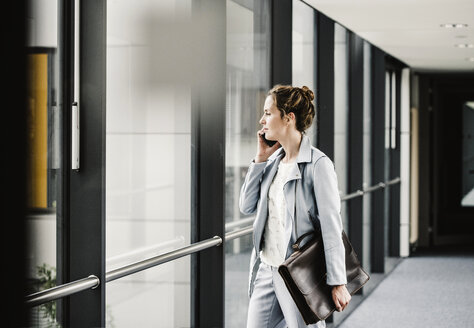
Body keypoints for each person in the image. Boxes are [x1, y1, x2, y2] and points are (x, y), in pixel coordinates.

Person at [239, 85, 351, 328]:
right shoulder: (271, 164)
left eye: (268, 113)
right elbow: (246, 206)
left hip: (298, 272)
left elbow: (331, 227)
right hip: (267, 269)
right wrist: (259, 160)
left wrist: (338, 282)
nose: (262, 120)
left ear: (289, 118)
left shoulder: (318, 164)